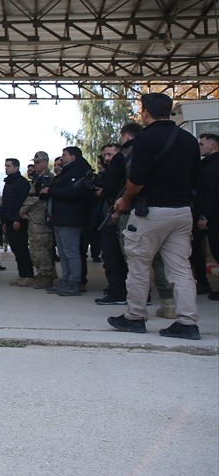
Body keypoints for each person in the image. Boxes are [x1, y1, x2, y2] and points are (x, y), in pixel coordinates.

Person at [107, 93, 201, 339]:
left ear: (145, 111)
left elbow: (137, 179)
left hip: (150, 213)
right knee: (181, 270)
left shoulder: (145, 140)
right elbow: (195, 179)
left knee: (139, 265)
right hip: (182, 212)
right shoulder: (189, 139)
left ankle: (135, 317)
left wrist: (124, 201)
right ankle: (188, 322)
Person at [41, 146, 93, 297]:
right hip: (60, 217)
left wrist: (50, 191)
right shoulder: (68, 171)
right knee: (63, 253)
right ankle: (66, 280)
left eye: (64, 155)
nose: (61, 158)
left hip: (70, 218)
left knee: (71, 253)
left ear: (72, 157)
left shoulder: (78, 172)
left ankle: (74, 282)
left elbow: (74, 193)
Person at [94, 141, 129, 306]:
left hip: (118, 218)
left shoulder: (123, 171)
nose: (107, 159)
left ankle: (119, 292)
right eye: (105, 155)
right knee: (111, 256)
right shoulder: (110, 172)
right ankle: (117, 288)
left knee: (116, 257)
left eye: (110, 155)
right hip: (109, 216)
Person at [20, 151, 57, 289]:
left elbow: (36, 199)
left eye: (37, 162)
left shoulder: (47, 178)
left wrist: (21, 211)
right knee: (37, 247)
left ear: (45, 163)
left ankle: (45, 276)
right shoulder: (39, 177)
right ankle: (44, 274)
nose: (34, 165)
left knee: (41, 249)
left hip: (40, 219)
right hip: (35, 218)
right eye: (34, 162)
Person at [190, 132, 219, 297]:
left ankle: (202, 282)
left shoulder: (213, 165)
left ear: (213, 145)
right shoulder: (207, 164)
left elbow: (211, 192)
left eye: (202, 144)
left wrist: (204, 216)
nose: (199, 147)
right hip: (209, 214)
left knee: (215, 249)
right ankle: (201, 282)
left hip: (212, 216)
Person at [1, 158, 34, 286]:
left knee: (22, 248)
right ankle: (22, 275)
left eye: (8, 166)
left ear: (16, 167)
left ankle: (28, 275)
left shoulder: (21, 183)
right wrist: (5, 222)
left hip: (18, 221)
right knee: (15, 249)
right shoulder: (8, 183)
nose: (6, 168)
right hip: (9, 221)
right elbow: (6, 203)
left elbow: (23, 203)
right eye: (5, 166)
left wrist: (18, 219)